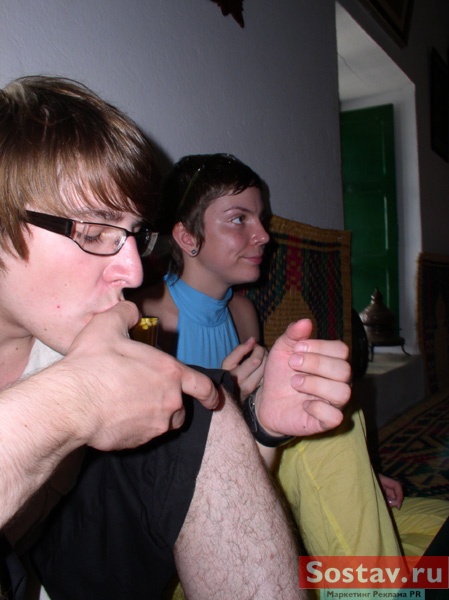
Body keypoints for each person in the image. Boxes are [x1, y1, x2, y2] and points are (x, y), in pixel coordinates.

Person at [0, 76, 353, 600]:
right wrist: (75, 399)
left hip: (60, 558)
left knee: (205, 415)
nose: (133, 272)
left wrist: (259, 424)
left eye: (134, 236)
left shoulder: (88, 336)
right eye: (95, 232)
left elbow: (189, 485)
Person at [130, 152, 449, 563]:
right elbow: (142, 468)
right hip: (194, 520)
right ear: (187, 237)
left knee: (436, 524)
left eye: (260, 219)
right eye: (239, 219)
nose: (264, 235)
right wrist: (222, 397)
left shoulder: (242, 313)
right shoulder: (144, 319)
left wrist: (357, 478)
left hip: (262, 481)